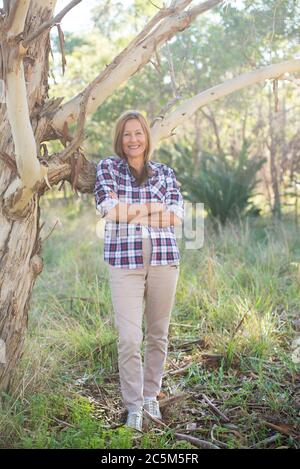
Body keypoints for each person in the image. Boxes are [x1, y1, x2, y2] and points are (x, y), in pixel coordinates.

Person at [94, 110, 184, 432]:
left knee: (157, 334)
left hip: (163, 259)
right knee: (130, 338)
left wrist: (130, 213)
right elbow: (108, 209)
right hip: (124, 261)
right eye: (127, 134)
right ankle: (133, 406)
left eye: (138, 133)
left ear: (147, 136)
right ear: (120, 139)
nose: (133, 140)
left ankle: (150, 396)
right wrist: (150, 209)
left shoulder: (164, 172)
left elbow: (175, 216)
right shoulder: (108, 168)